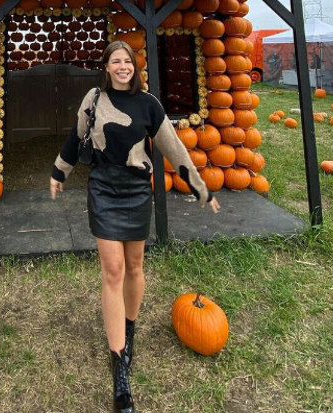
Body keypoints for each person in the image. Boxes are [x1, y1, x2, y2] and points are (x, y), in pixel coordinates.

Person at [50, 41, 220, 413]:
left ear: (134, 67)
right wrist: (58, 172)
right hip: (103, 187)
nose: (123, 66)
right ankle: (119, 368)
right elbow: (74, 135)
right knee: (112, 271)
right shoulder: (94, 98)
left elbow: (173, 148)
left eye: (128, 61)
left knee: (135, 266)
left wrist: (199, 187)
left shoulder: (148, 104)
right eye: (116, 61)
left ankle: (129, 327)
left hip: (137, 190)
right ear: (107, 67)